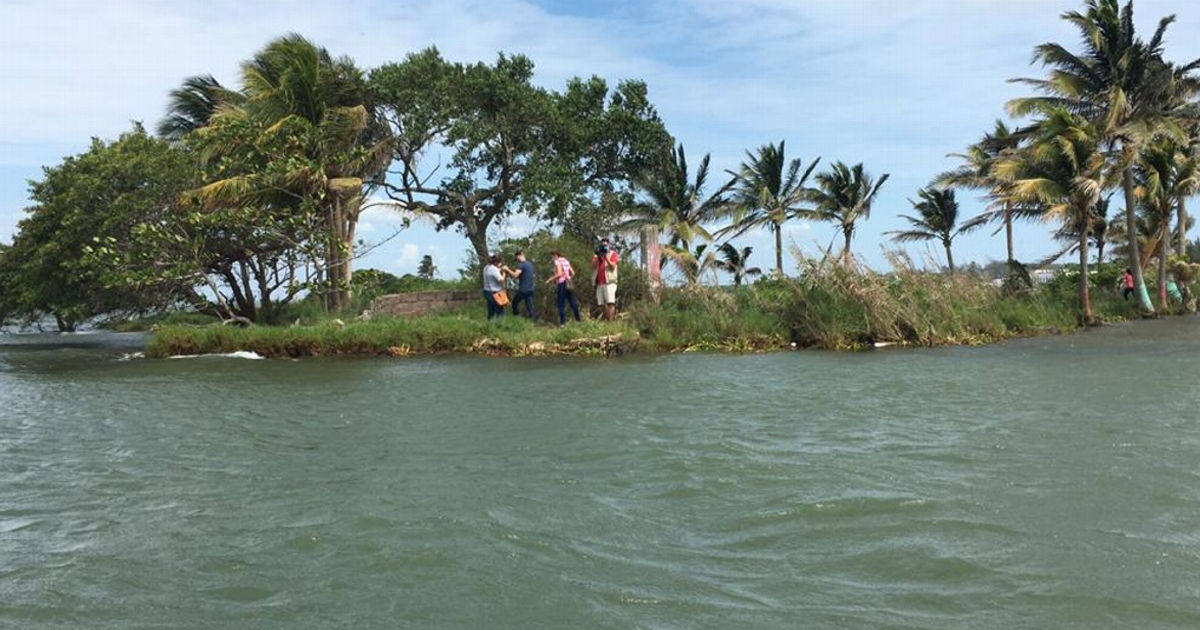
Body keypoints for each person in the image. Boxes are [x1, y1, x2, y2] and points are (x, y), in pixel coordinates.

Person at [545, 249, 581, 325]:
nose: (552, 258)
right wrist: (568, 277)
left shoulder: (557, 261)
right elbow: (573, 273)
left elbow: (559, 273)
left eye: (552, 256)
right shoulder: (566, 261)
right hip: (569, 282)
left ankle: (563, 323)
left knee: (561, 303)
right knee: (573, 302)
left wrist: (549, 280)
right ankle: (578, 320)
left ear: (555, 255)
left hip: (561, 283)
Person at [591, 237, 619, 321]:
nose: (604, 246)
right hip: (599, 282)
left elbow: (613, 266)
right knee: (601, 304)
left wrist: (606, 257)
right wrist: (598, 256)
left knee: (610, 302)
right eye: (602, 244)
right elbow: (592, 266)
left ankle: (611, 322)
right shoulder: (597, 255)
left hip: (609, 281)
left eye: (605, 244)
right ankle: (608, 320)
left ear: (609, 245)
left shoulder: (613, 253)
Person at [503, 250, 536, 320]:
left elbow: (515, 275)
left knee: (514, 303)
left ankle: (516, 319)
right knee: (530, 307)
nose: (517, 261)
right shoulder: (530, 264)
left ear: (519, 255)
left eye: (516, 258)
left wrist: (507, 269)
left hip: (523, 289)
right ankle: (532, 322)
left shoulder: (521, 265)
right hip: (531, 289)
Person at [482, 254, 507, 320]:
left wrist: (499, 269)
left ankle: (490, 325)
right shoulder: (494, 269)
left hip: (487, 291)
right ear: (496, 262)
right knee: (500, 311)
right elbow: (501, 280)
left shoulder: (486, 267)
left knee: (491, 311)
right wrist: (504, 274)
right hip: (494, 292)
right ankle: (500, 326)